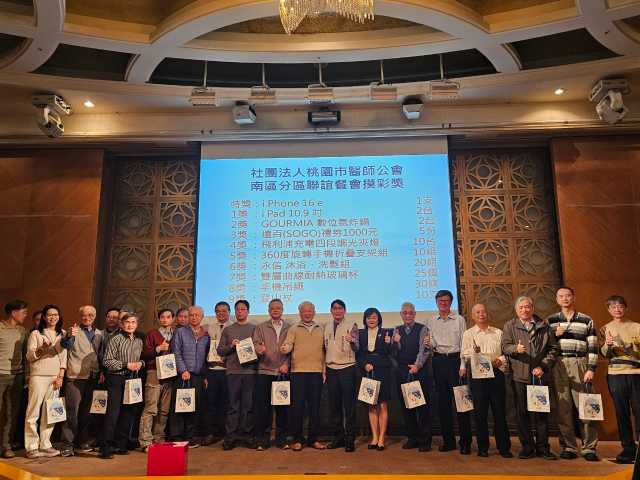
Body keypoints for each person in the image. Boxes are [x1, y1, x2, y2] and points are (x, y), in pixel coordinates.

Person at [502, 296, 558, 460]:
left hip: (539, 376)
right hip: (519, 376)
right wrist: (515, 348)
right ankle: (527, 447)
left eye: (527, 307)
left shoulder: (543, 325)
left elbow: (553, 349)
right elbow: (505, 347)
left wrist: (543, 366)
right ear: (516, 310)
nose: (524, 310)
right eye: (521, 307)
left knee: (541, 413)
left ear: (532, 308)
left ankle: (543, 448)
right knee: (522, 414)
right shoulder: (510, 325)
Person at [547, 287, 599, 461]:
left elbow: (593, 346)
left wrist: (591, 368)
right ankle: (568, 446)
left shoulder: (586, 320)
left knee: (586, 405)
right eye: (561, 296)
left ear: (573, 297)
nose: (565, 299)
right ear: (557, 299)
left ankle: (589, 447)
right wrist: (554, 335)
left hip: (580, 363)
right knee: (563, 408)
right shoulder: (551, 321)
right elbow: (545, 346)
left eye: (568, 295)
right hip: (559, 364)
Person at [460, 303, 512, 458]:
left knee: (499, 413)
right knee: (480, 414)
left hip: (496, 375)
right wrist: (474, 352)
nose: (481, 314)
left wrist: (501, 360)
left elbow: (506, 352)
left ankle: (504, 448)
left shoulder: (498, 332)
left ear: (487, 314)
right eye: (477, 312)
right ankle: (483, 448)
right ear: (473, 316)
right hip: (478, 376)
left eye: (483, 311)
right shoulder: (468, 334)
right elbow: (464, 354)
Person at [425, 290, 471, 454]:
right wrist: (428, 344)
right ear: (436, 302)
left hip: (456, 362)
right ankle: (449, 441)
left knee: (462, 403)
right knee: (443, 404)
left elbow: (464, 344)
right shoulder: (431, 321)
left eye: (446, 300)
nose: (443, 303)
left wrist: (463, 365)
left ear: (451, 302)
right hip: (438, 362)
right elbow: (431, 343)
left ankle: (465, 442)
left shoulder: (459, 320)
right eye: (440, 301)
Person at [60, 305, 104, 457]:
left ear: (95, 317)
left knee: (87, 412)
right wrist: (68, 336)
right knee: (72, 411)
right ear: (80, 316)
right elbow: (65, 345)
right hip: (75, 377)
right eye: (84, 315)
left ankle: (82, 441)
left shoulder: (99, 334)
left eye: (91, 315)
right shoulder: (73, 331)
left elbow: (100, 355)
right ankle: (67, 443)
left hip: (93, 376)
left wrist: (101, 371)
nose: (87, 318)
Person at [281, 301, 325, 451]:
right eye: (304, 311)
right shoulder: (293, 328)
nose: (307, 313)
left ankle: (314, 439)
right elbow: (288, 345)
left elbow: (324, 351)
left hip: (316, 372)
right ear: (300, 313)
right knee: (297, 408)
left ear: (314, 312)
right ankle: (297, 439)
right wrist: (285, 348)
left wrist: (324, 370)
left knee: (315, 408)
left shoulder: (321, 328)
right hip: (298, 372)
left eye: (310, 311)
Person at [24, 304, 67, 458]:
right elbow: (30, 357)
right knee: (33, 411)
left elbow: (64, 357)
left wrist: (60, 376)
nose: (53, 317)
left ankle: (45, 444)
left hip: (55, 377)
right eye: (49, 314)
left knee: (51, 411)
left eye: (55, 314)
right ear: (44, 317)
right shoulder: (36, 333)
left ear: (59, 317)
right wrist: (41, 349)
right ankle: (31, 446)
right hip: (38, 376)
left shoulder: (63, 334)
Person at [601, 295, 640, 464]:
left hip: (636, 373)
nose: (617, 309)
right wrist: (608, 345)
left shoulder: (637, 327)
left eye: (620, 306)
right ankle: (628, 448)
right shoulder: (605, 328)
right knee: (621, 411)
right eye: (613, 307)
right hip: (615, 374)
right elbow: (604, 354)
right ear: (609, 310)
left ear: (625, 308)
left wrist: (633, 347)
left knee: (639, 410)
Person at [100, 313, 144, 459]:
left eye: (133, 322)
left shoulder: (138, 341)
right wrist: (126, 365)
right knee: (113, 414)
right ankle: (106, 447)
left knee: (128, 413)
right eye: (127, 322)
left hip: (132, 380)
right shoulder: (115, 339)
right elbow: (107, 361)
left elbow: (141, 359)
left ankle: (121, 445)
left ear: (137, 324)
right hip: (116, 379)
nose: (130, 325)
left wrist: (141, 364)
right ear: (122, 324)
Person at [393, 301, 432, 452]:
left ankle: (425, 440)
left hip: (418, 371)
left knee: (422, 407)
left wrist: (417, 365)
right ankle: (412, 437)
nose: (408, 315)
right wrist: (396, 343)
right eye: (405, 313)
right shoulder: (396, 330)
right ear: (401, 314)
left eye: (410, 313)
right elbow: (394, 352)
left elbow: (424, 349)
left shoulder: (423, 328)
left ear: (415, 314)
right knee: (406, 406)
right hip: (402, 372)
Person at [217, 300, 256, 450]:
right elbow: (220, 351)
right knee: (233, 406)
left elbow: (259, 348)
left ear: (248, 311)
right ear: (235, 311)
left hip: (250, 371)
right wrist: (231, 346)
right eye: (238, 309)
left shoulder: (254, 328)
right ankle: (230, 437)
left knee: (248, 406)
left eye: (243, 309)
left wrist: (257, 348)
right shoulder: (228, 330)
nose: (240, 312)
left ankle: (247, 436)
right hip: (233, 372)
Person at [253, 299, 291, 450]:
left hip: (282, 372)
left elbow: (293, 348)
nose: (275, 310)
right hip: (264, 371)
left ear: (282, 310)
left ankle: (281, 439)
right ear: (269, 310)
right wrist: (259, 349)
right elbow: (255, 344)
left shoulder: (289, 327)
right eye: (273, 308)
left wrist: (286, 364)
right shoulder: (261, 327)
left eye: (278, 308)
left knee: (282, 408)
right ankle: (263, 440)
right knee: (263, 408)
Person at [172, 305, 210, 448]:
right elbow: (176, 352)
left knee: (194, 407)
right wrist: (183, 370)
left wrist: (204, 375)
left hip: (198, 376)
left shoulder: (205, 335)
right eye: (191, 315)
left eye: (197, 315)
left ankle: (191, 436)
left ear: (202, 317)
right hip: (183, 375)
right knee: (180, 406)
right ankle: (177, 436)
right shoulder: (180, 332)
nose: (194, 317)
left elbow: (206, 357)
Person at [324, 299, 358, 452]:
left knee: (349, 406)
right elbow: (324, 348)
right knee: (334, 406)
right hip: (331, 368)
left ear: (344, 310)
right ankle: (338, 437)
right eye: (335, 308)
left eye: (340, 308)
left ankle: (350, 439)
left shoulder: (352, 325)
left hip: (347, 368)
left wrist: (353, 341)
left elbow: (357, 346)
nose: (337, 311)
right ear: (331, 311)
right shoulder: (326, 326)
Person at [138, 308, 175, 452]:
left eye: (168, 317)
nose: (165, 319)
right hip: (154, 372)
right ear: (159, 319)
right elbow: (144, 354)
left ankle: (159, 438)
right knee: (151, 408)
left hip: (170, 374)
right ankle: (145, 441)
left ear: (172, 319)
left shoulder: (176, 334)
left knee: (164, 410)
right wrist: (158, 349)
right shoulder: (152, 334)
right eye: (162, 317)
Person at [357, 307, 393, 451]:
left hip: (383, 370)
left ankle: (382, 438)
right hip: (367, 370)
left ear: (379, 319)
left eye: (374, 317)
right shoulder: (360, 333)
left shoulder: (386, 332)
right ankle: (374, 437)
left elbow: (390, 352)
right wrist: (364, 365)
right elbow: (358, 354)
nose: (371, 320)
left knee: (382, 405)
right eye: (369, 317)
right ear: (365, 320)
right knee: (371, 405)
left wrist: (389, 343)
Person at [0, 300, 28, 458]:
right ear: (13, 313)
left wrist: (26, 376)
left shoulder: (23, 331)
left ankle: (6, 446)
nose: (25, 315)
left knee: (12, 413)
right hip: (0, 375)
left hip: (17, 376)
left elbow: (26, 355)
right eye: (23, 312)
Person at [202, 301, 232, 445]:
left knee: (226, 403)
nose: (221, 313)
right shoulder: (208, 328)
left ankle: (225, 433)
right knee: (211, 403)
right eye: (218, 311)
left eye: (224, 311)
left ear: (229, 312)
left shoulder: (233, 328)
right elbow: (204, 350)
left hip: (228, 371)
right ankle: (211, 433)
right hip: (212, 370)